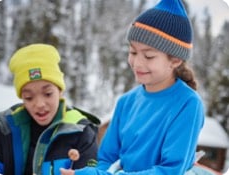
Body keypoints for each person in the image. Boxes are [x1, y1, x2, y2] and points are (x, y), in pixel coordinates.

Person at [60, 0, 205, 175]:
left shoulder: (188, 104)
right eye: (133, 52)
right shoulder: (126, 102)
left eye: (149, 56)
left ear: (175, 60)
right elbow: (106, 159)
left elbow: (170, 170)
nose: (137, 63)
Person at [0, 44, 100, 175]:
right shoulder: (7, 128)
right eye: (29, 97)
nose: (39, 104)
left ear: (60, 90)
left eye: (48, 94)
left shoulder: (81, 131)